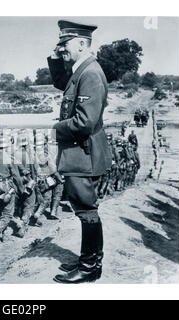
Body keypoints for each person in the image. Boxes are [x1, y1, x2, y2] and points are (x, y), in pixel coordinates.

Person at [49, 20, 112, 283]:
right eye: (61, 43)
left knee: (86, 211)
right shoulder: (81, 70)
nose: (62, 48)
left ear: (83, 44)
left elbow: (84, 122)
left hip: (83, 155)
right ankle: (90, 261)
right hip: (80, 153)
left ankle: (89, 268)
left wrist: (56, 129)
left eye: (66, 44)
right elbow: (63, 82)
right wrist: (56, 58)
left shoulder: (90, 74)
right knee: (85, 210)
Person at [13, 132, 37, 236]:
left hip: (16, 183)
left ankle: (17, 222)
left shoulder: (13, 154)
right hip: (28, 182)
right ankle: (23, 224)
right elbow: (34, 169)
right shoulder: (30, 154)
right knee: (29, 204)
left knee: (18, 205)